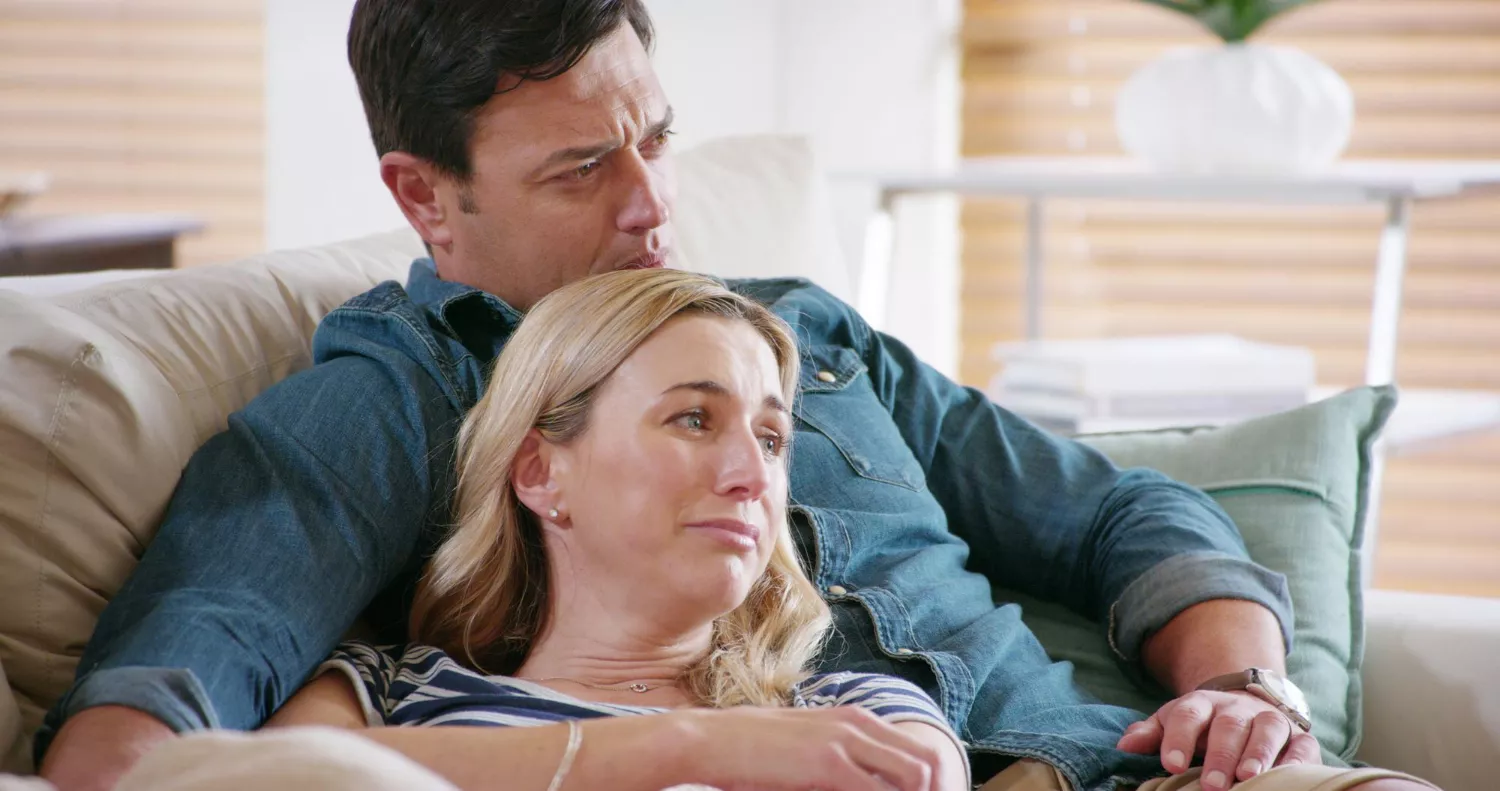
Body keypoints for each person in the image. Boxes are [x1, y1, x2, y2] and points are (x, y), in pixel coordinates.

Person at [35, 2, 1434, 790]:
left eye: (656, 140)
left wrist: (1241, 686)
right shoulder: (388, 407)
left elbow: (1125, 513)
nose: (654, 207)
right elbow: (130, 751)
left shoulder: (803, 327)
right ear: (425, 196)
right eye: (582, 169)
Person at [262, 268, 970, 790]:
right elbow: (267, 779)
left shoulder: (858, 715)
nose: (752, 475)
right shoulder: (382, 693)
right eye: (693, 419)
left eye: (771, 438)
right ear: (540, 471)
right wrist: (687, 747)